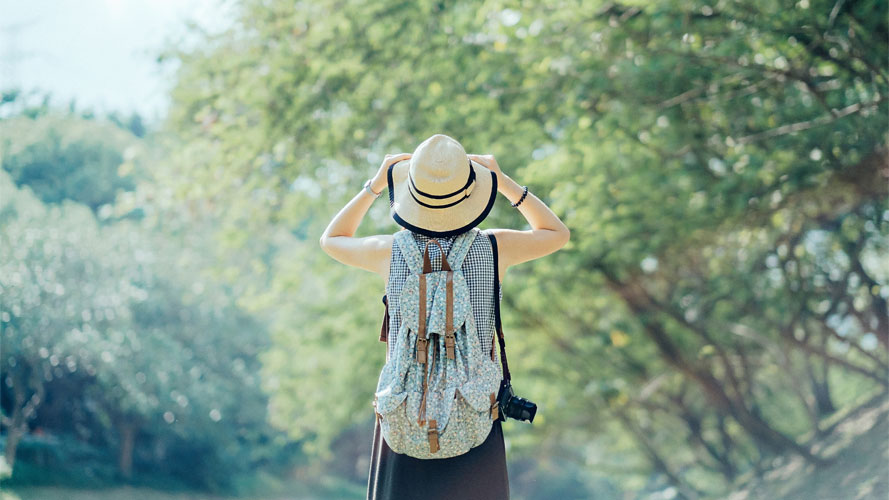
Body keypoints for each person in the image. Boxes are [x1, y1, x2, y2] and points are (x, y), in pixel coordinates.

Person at [319, 133, 570, 500]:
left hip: (404, 416)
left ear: (412, 191)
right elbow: (556, 233)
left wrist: (375, 185)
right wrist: (504, 181)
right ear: (473, 192)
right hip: (474, 415)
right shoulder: (495, 248)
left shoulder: (390, 251)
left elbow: (332, 239)